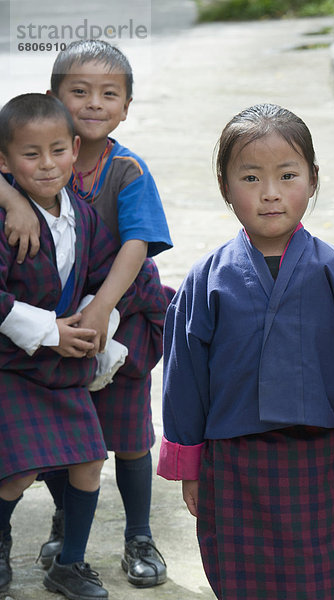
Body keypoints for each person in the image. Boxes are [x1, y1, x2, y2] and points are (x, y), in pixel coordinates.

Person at [157, 103, 334, 600]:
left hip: (318, 462)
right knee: (239, 578)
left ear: (312, 180)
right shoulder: (207, 280)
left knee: (320, 582)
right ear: (225, 186)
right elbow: (186, 380)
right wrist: (191, 467)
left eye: (287, 175)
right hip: (233, 463)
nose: (270, 193)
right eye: (250, 177)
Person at [0, 41, 173, 587]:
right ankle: (30, 539)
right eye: (79, 91)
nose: (94, 103)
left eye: (109, 94)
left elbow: (129, 251)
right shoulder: (20, 190)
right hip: (33, 346)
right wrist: (12, 201)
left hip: (95, 331)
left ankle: (106, 548)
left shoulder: (115, 180)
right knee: (38, 457)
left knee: (109, 445)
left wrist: (102, 316)